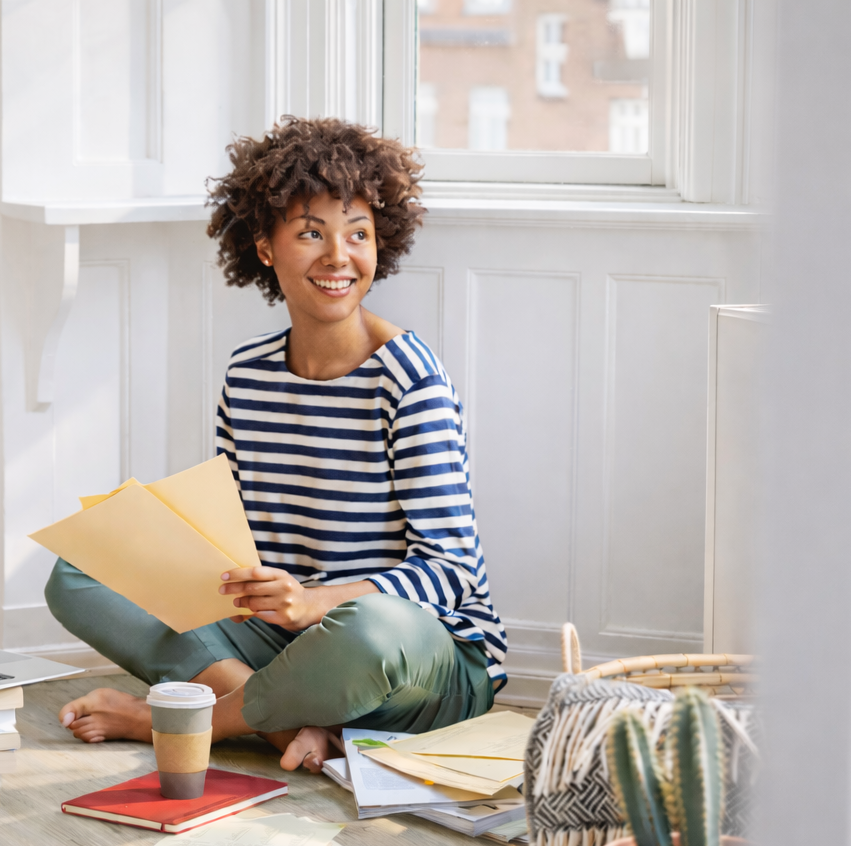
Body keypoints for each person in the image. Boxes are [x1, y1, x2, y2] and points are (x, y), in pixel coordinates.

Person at [48, 117, 507, 773]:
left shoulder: (411, 382)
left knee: (367, 632)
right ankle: (286, 725)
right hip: (284, 640)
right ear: (265, 247)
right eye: (310, 233)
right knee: (82, 566)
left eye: (358, 234)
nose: (338, 257)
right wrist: (168, 550)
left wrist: (320, 601)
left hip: (418, 655)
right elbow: (239, 539)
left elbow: (453, 572)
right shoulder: (248, 374)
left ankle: (174, 722)